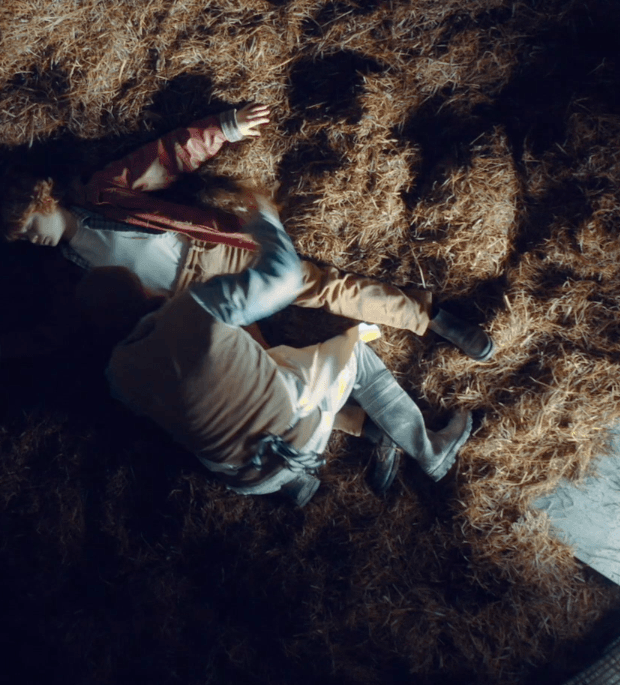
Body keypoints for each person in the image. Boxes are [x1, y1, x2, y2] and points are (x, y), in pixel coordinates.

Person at [0, 103, 494, 364]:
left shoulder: (103, 193)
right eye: (22, 240)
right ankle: (363, 427)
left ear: (44, 200)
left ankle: (427, 317)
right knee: (263, 370)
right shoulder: (64, 275)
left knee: (321, 286)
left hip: (216, 256)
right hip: (194, 310)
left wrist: (224, 128)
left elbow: (165, 158)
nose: (32, 240)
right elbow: (57, 332)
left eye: (29, 228)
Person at [90, 193, 475, 505]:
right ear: (146, 291)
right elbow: (284, 278)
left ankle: (294, 483)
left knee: (252, 378)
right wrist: (264, 219)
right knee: (355, 353)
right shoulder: (192, 308)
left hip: (243, 480)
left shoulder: (116, 377)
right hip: (301, 437)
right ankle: (429, 450)